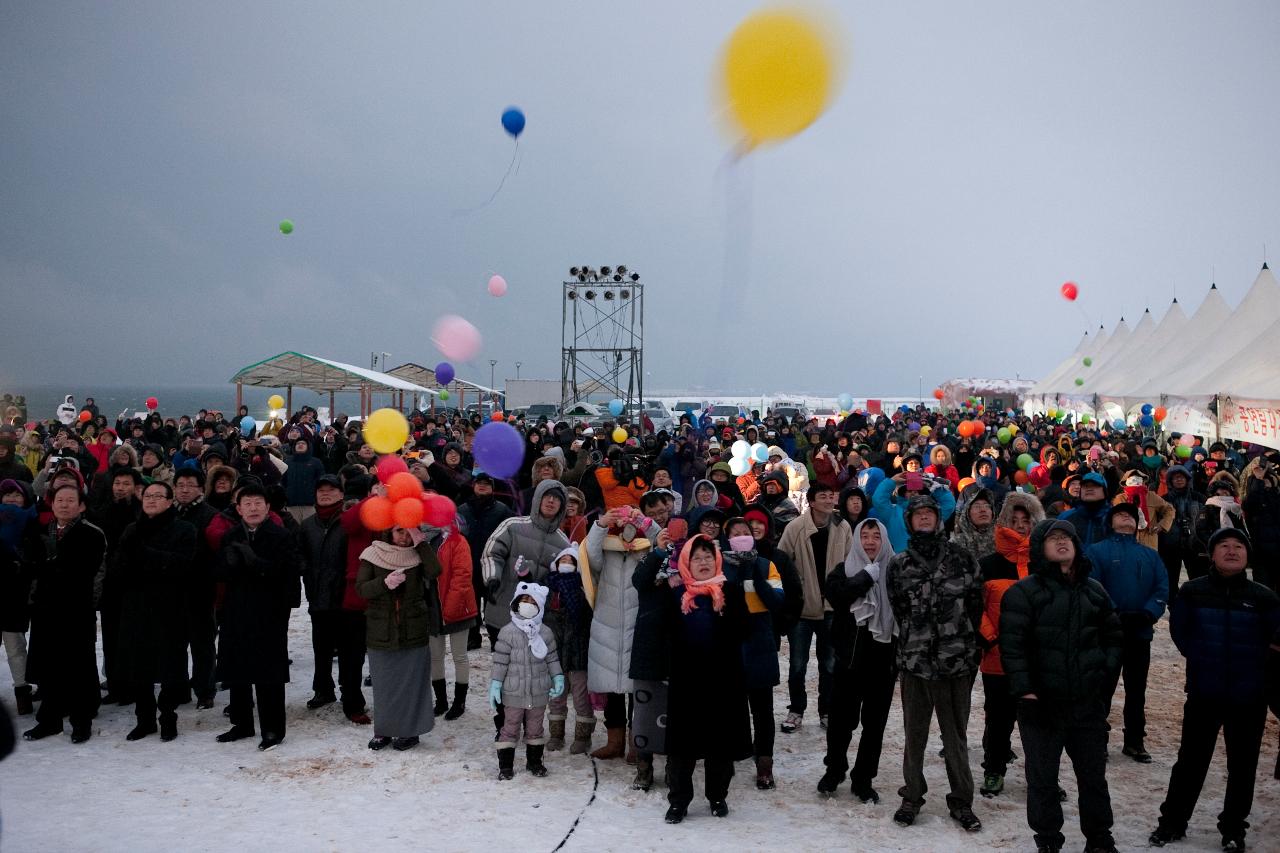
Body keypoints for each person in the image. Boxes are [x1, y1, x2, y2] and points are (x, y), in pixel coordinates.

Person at [1150, 528, 1280, 851]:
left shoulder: (1263, 597)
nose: (1232, 551)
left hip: (1249, 696)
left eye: (1239, 546)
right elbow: (1181, 633)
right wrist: (1202, 656)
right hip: (1204, 692)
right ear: (1212, 553)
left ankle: (1234, 828)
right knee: (1190, 762)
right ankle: (1173, 822)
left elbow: (1275, 641)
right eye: (1224, 546)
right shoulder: (1193, 591)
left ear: (1247, 556)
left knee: (1243, 765)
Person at [1001, 519, 1123, 853]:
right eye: (1053, 538)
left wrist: (1102, 675)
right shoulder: (1023, 593)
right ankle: (1048, 841)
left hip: (1086, 703)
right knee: (1042, 780)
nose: (1062, 542)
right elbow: (1013, 648)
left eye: (1067, 537)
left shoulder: (1094, 590)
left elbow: (1114, 637)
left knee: (1093, 778)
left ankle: (1099, 838)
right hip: (1041, 704)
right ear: (1040, 547)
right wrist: (1026, 692)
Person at [886, 493, 983, 832]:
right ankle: (911, 795)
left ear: (938, 519)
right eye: (918, 514)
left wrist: (962, 645)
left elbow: (975, 604)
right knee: (915, 735)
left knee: (954, 737)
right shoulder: (899, 565)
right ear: (909, 522)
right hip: (915, 663)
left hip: (957, 663)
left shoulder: (963, 559)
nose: (924, 518)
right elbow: (898, 608)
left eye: (929, 513)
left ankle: (962, 800)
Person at [639, 535, 751, 824]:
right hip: (687, 681)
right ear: (687, 563)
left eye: (708, 557)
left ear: (717, 560)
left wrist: (723, 610)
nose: (703, 563)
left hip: (723, 680)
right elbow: (661, 628)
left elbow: (745, 629)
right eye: (696, 558)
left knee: (720, 744)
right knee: (682, 748)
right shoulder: (675, 593)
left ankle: (717, 796)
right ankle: (679, 801)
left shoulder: (731, 590)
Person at [214, 482, 302, 751]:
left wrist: (257, 563)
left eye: (258, 503)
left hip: (269, 610)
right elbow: (222, 574)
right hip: (235, 609)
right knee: (237, 667)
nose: (253, 508)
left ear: (267, 507)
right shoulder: (230, 537)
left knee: (268, 673)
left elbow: (287, 573)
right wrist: (226, 567)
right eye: (247, 504)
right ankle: (242, 723)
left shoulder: (281, 536)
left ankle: (273, 728)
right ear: (238, 509)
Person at [480, 479, 569, 734]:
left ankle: (524, 722)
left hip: (536, 625)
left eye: (557, 498)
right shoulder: (513, 526)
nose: (551, 501)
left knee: (528, 674)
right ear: (538, 498)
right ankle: (504, 723)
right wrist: (492, 577)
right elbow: (491, 553)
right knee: (505, 672)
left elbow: (564, 581)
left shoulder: (562, 543)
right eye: (547, 496)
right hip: (502, 614)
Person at [818, 518, 897, 804]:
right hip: (849, 661)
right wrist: (865, 577)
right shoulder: (844, 570)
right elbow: (837, 595)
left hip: (883, 661)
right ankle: (834, 770)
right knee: (840, 723)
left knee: (874, 726)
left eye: (876, 536)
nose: (871, 542)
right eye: (865, 536)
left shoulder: (895, 571)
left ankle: (864, 779)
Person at [21, 484, 107, 744]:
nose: (64, 504)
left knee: (78, 667)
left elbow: (85, 572)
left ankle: (81, 722)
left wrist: (50, 566)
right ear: (52, 503)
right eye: (60, 500)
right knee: (48, 667)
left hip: (76, 610)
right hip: (45, 609)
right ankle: (49, 721)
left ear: (81, 506)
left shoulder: (91, 533)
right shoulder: (42, 531)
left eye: (71, 500)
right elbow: (31, 567)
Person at [113, 481, 197, 741]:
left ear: (170, 501)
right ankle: (145, 718)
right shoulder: (132, 530)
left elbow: (181, 565)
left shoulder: (185, 529)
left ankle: (168, 716)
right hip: (136, 605)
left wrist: (146, 557)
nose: (151, 500)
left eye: (158, 496)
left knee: (170, 664)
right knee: (139, 665)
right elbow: (119, 566)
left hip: (170, 605)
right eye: (147, 496)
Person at [1086, 502, 1168, 763]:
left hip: (1140, 632)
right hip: (1107, 633)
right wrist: (1113, 613)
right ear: (1110, 522)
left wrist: (1148, 612)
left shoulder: (1150, 555)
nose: (1125, 519)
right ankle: (1096, 739)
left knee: (1137, 689)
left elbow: (1161, 586)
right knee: (1103, 687)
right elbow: (1093, 585)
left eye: (1130, 516)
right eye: (1120, 515)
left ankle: (1135, 740)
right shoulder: (1096, 551)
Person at [975, 491, 1045, 798]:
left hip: (1037, 658)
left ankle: (1043, 777)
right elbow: (973, 606)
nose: (1019, 527)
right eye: (1013, 521)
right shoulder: (989, 564)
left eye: (1025, 521)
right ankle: (993, 769)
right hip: (997, 655)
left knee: (1039, 723)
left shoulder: (1044, 564)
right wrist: (991, 638)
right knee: (998, 718)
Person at [356, 523, 444, 752]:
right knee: (385, 684)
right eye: (399, 531)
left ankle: (410, 731)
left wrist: (421, 542)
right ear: (389, 532)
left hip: (412, 629)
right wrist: (383, 583)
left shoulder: (417, 554)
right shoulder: (373, 553)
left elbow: (435, 571)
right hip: (381, 630)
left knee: (412, 683)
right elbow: (361, 588)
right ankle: (383, 730)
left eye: (408, 531)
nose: (404, 537)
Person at [776, 482, 854, 733]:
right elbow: (781, 562)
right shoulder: (795, 527)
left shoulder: (842, 527)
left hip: (832, 607)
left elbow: (851, 563)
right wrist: (793, 592)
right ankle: (796, 710)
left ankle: (827, 710)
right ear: (811, 501)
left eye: (831, 495)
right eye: (823, 496)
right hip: (803, 608)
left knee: (829, 663)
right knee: (797, 663)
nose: (829, 499)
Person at [584, 504, 656, 761]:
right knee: (611, 688)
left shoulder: (647, 550)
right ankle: (614, 742)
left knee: (638, 689)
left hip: (640, 624)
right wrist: (601, 524)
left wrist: (647, 524)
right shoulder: (606, 550)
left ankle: (638, 741)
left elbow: (665, 547)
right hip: (607, 623)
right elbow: (589, 555)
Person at [718, 516, 786, 789]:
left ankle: (765, 763)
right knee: (730, 708)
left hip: (760, 644)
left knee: (763, 710)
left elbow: (777, 600)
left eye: (745, 531)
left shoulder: (766, 565)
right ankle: (732, 756)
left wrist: (754, 572)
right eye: (735, 533)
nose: (741, 536)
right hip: (730, 645)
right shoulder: (719, 565)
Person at [299, 475, 369, 724]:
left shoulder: (349, 521)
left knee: (352, 652)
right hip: (318, 596)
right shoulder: (308, 525)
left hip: (347, 598)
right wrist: (307, 572)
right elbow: (301, 555)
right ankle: (323, 689)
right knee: (322, 647)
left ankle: (352, 700)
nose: (325, 493)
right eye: (321, 490)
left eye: (331, 489)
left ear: (341, 494)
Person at [490, 582, 564, 779]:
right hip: (514, 693)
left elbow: (552, 658)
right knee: (510, 727)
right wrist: (496, 684)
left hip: (538, 692)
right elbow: (500, 661)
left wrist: (557, 677)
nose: (528, 604)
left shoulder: (545, 632)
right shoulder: (507, 632)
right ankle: (506, 766)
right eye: (524, 600)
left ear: (540, 606)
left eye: (533, 601)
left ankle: (535, 763)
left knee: (535, 729)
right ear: (516, 604)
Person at [173, 468, 219, 708]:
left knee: (202, 643)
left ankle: (205, 690)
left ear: (200, 489)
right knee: (175, 643)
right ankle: (179, 688)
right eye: (180, 484)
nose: (184, 489)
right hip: (172, 591)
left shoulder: (210, 514)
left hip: (201, 588)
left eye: (190, 484)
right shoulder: (168, 513)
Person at [425, 506, 475, 720]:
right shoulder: (421, 540)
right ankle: (441, 700)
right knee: (435, 656)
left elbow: (462, 575)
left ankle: (459, 701)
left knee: (459, 655)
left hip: (457, 607)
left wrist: (452, 607)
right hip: (432, 606)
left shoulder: (457, 540)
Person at [543, 546, 593, 753]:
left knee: (581, 696)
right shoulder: (547, 587)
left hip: (578, 651)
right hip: (555, 651)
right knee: (557, 694)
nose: (566, 563)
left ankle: (583, 736)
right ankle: (556, 734)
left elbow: (585, 617)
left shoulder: (583, 588)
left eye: (570, 561)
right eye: (562, 560)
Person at [457, 472, 514, 649]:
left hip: (494, 566)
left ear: (492, 488)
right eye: (479, 483)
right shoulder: (462, 509)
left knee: (493, 604)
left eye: (486, 484)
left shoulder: (502, 510)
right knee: (471, 603)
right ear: (473, 486)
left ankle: (495, 638)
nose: (482, 486)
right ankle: (473, 637)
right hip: (469, 564)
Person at [0, 480, 36, 714]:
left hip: (14, 593)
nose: (12, 499)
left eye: (17, 495)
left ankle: (22, 692)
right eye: (7, 495)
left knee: (15, 645)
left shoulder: (31, 522)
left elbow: (33, 556)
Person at [1159, 464, 1206, 602]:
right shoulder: (1163, 499)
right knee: (1170, 580)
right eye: (1175, 478)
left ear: (1187, 479)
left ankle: (1196, 604)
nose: (1178, 480)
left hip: (1194, 544)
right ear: (1170, 481)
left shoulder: (1199, 497)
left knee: (1197, 579)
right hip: (1170, 545)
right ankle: (1173, 606)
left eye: (1181, 477)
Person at [1058, 472, 1111, 547]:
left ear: (1104, 491)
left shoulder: (1114, 517)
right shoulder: (1066, 518)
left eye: (1095, 485)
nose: (1089, 489)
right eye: (1085, 486)